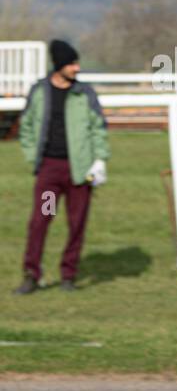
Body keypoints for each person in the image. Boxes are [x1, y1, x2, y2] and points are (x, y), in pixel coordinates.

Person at [15, 40, 109, 294]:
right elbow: (26, 128)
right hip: (50, 171)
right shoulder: (39, 92)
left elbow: (98, 128)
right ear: (59, 65)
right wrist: (32, 156)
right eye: (72, 63)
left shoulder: (84, 93)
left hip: (80, 172)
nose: (77, 68)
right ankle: (31, 274)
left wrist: (100, 159)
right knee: (41, 220)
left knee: (76, 223)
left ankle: (68, 275)